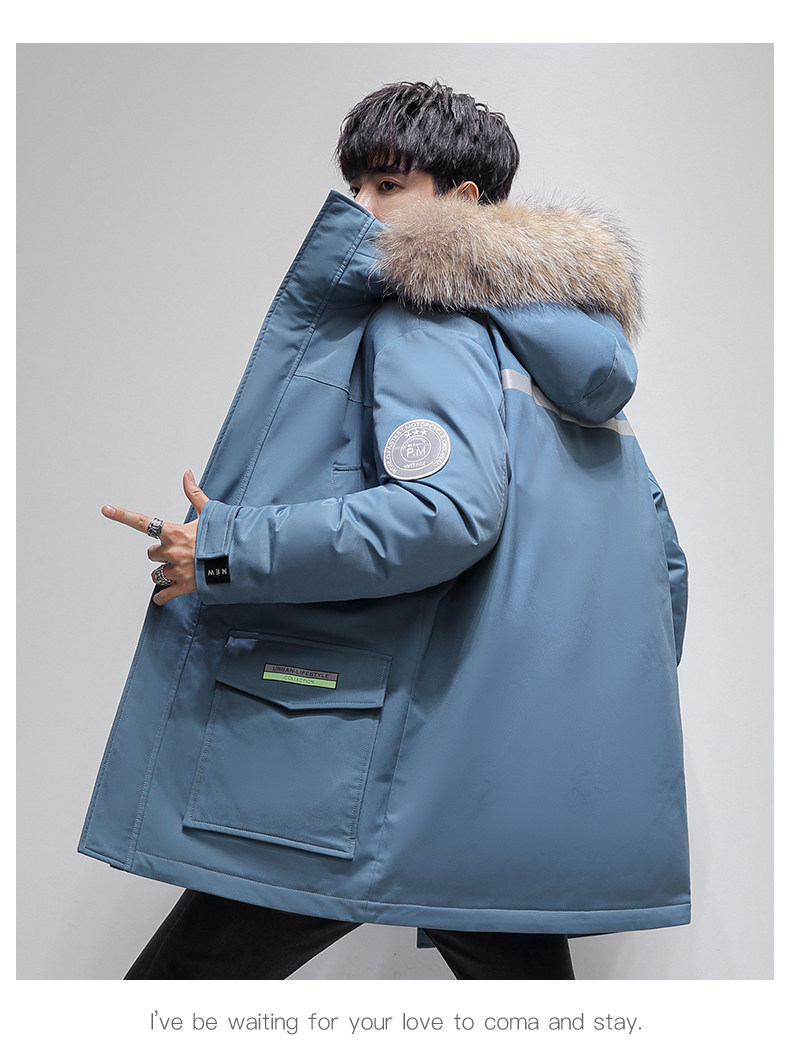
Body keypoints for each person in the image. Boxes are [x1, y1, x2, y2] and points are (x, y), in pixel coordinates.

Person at [81, 81, 689, 980]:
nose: (360, 207)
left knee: (168, 1003)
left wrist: (223, 546)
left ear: (464, 201)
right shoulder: (567, 364)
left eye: (389, 185)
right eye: (356, 184)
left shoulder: (429, 320)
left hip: (396, 770)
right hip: (506, 783)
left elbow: (443, 514)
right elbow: (665, 571)